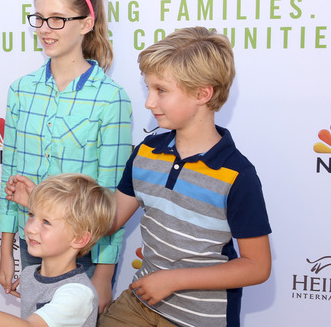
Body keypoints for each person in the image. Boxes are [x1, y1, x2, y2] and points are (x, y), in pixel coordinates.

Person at [98, 27, 272, 327]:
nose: (149, 103)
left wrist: (173, 280)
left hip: (201, 319)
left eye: (161, 90)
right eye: (148, 89)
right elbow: (110, 219)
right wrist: (41, 201)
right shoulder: (146, 152)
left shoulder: (238, 175)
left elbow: (257, 267)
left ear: (203, 93)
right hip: (139, 303)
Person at [0, 0, 133, 312]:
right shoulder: (20, 90)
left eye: (57, 19)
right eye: (40, 18)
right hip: (32, 246)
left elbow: (110, 197)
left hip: (82, 252)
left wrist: (103, 275)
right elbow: (9, 179)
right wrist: (6, 251)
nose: (45, 29)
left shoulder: (110, 99)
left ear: (86, 23)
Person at [0, 174, 116, 327]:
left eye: (46, 222)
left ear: (79, 239)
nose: (31, 228)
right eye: (32, 215)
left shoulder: (78, 294)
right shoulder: (29, 274)